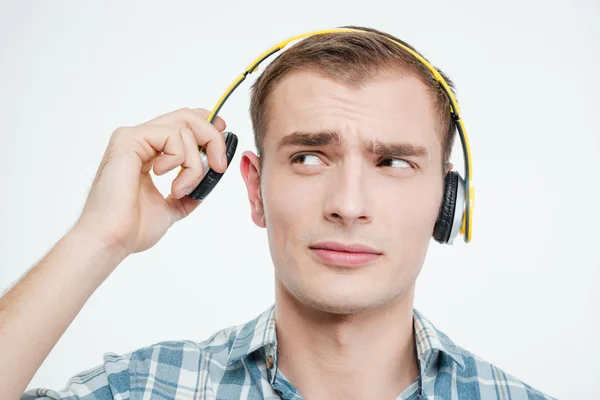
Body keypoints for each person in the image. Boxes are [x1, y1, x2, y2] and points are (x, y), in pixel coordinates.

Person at [0, 26, 554, 400]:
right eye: (309, 157)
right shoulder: (144, 389)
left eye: (393, 162)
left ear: (447, 202)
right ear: (255, 189)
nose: (348, 205)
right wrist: (98, 239)